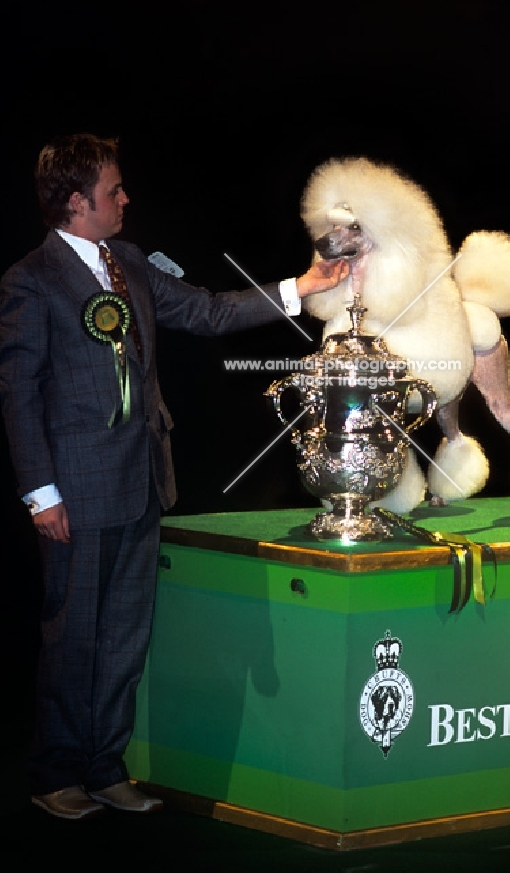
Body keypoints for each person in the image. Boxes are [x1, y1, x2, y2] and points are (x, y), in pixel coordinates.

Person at [0, 133, 348, 820]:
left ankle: (105, 765)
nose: (126, 198)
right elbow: (17, 391)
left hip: (139, 480)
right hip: (73, 489)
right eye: (113, 190)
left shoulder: (127, 260)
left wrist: (300, 288)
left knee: (126, 634)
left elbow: (208, 310)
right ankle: (55, 774)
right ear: (76, 202)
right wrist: (41, 493)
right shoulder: (30, 279)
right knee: (73, 638)